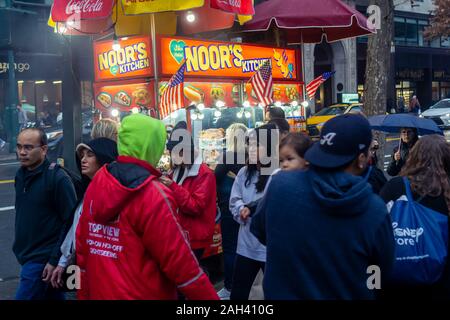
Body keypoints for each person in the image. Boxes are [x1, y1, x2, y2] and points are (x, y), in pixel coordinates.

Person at [251, 114, 395, 299]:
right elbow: (381, 274)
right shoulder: (374, 211)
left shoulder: (281, 185)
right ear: (361, 158)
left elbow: (262, 232)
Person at [76, 114, 218, 300]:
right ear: (152, 147)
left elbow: (82, 252)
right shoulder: (153, 193)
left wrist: (83, 294)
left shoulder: (99, 182)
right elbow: (182, 266)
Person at [380, 135, 450, 300]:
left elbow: (376, 231)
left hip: (397, 282)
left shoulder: (395, 187)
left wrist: (373, 284)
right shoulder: (446, 193)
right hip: (440, 283)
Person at [13, 128, 77, 300]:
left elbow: (71, 223)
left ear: (44, 149)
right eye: (19, 147)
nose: (22, 152)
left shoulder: (57, 179)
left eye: (28, 147)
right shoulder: (20, 175)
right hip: (27, 255)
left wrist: (55, 260)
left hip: (42, 260)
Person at [50, 138, 118, 289]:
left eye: (90, 155)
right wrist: (61, 262)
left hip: (103, 273)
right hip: (78, 265)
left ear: (104, 157)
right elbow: (73, 229)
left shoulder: (113, 195)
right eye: (82, 155)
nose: (83, 160)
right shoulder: (86, 191)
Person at [228, 124, 277, 300]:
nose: (252, 148)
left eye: (258, 144)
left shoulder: (277, 174)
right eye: (251, 143)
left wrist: (253, 209)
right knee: (238, 294)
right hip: (246, 246)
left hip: (270, 248)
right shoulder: (243, 172)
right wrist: (241, 209)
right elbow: (234, 199)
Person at [159, 121, 217, 261]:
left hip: (195, 237)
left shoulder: (204, 174)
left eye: (175, 152)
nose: (172, 156)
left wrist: (172, 186)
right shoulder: (178, 169)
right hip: (181, 234)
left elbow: (195, 206)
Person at [214, 123, 248, 300]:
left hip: (229, 206)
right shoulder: (249, 156)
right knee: (244, 249)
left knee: (230, 248)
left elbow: (214, 177)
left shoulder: (228, 156)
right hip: (247, 207)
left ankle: (229, 287)